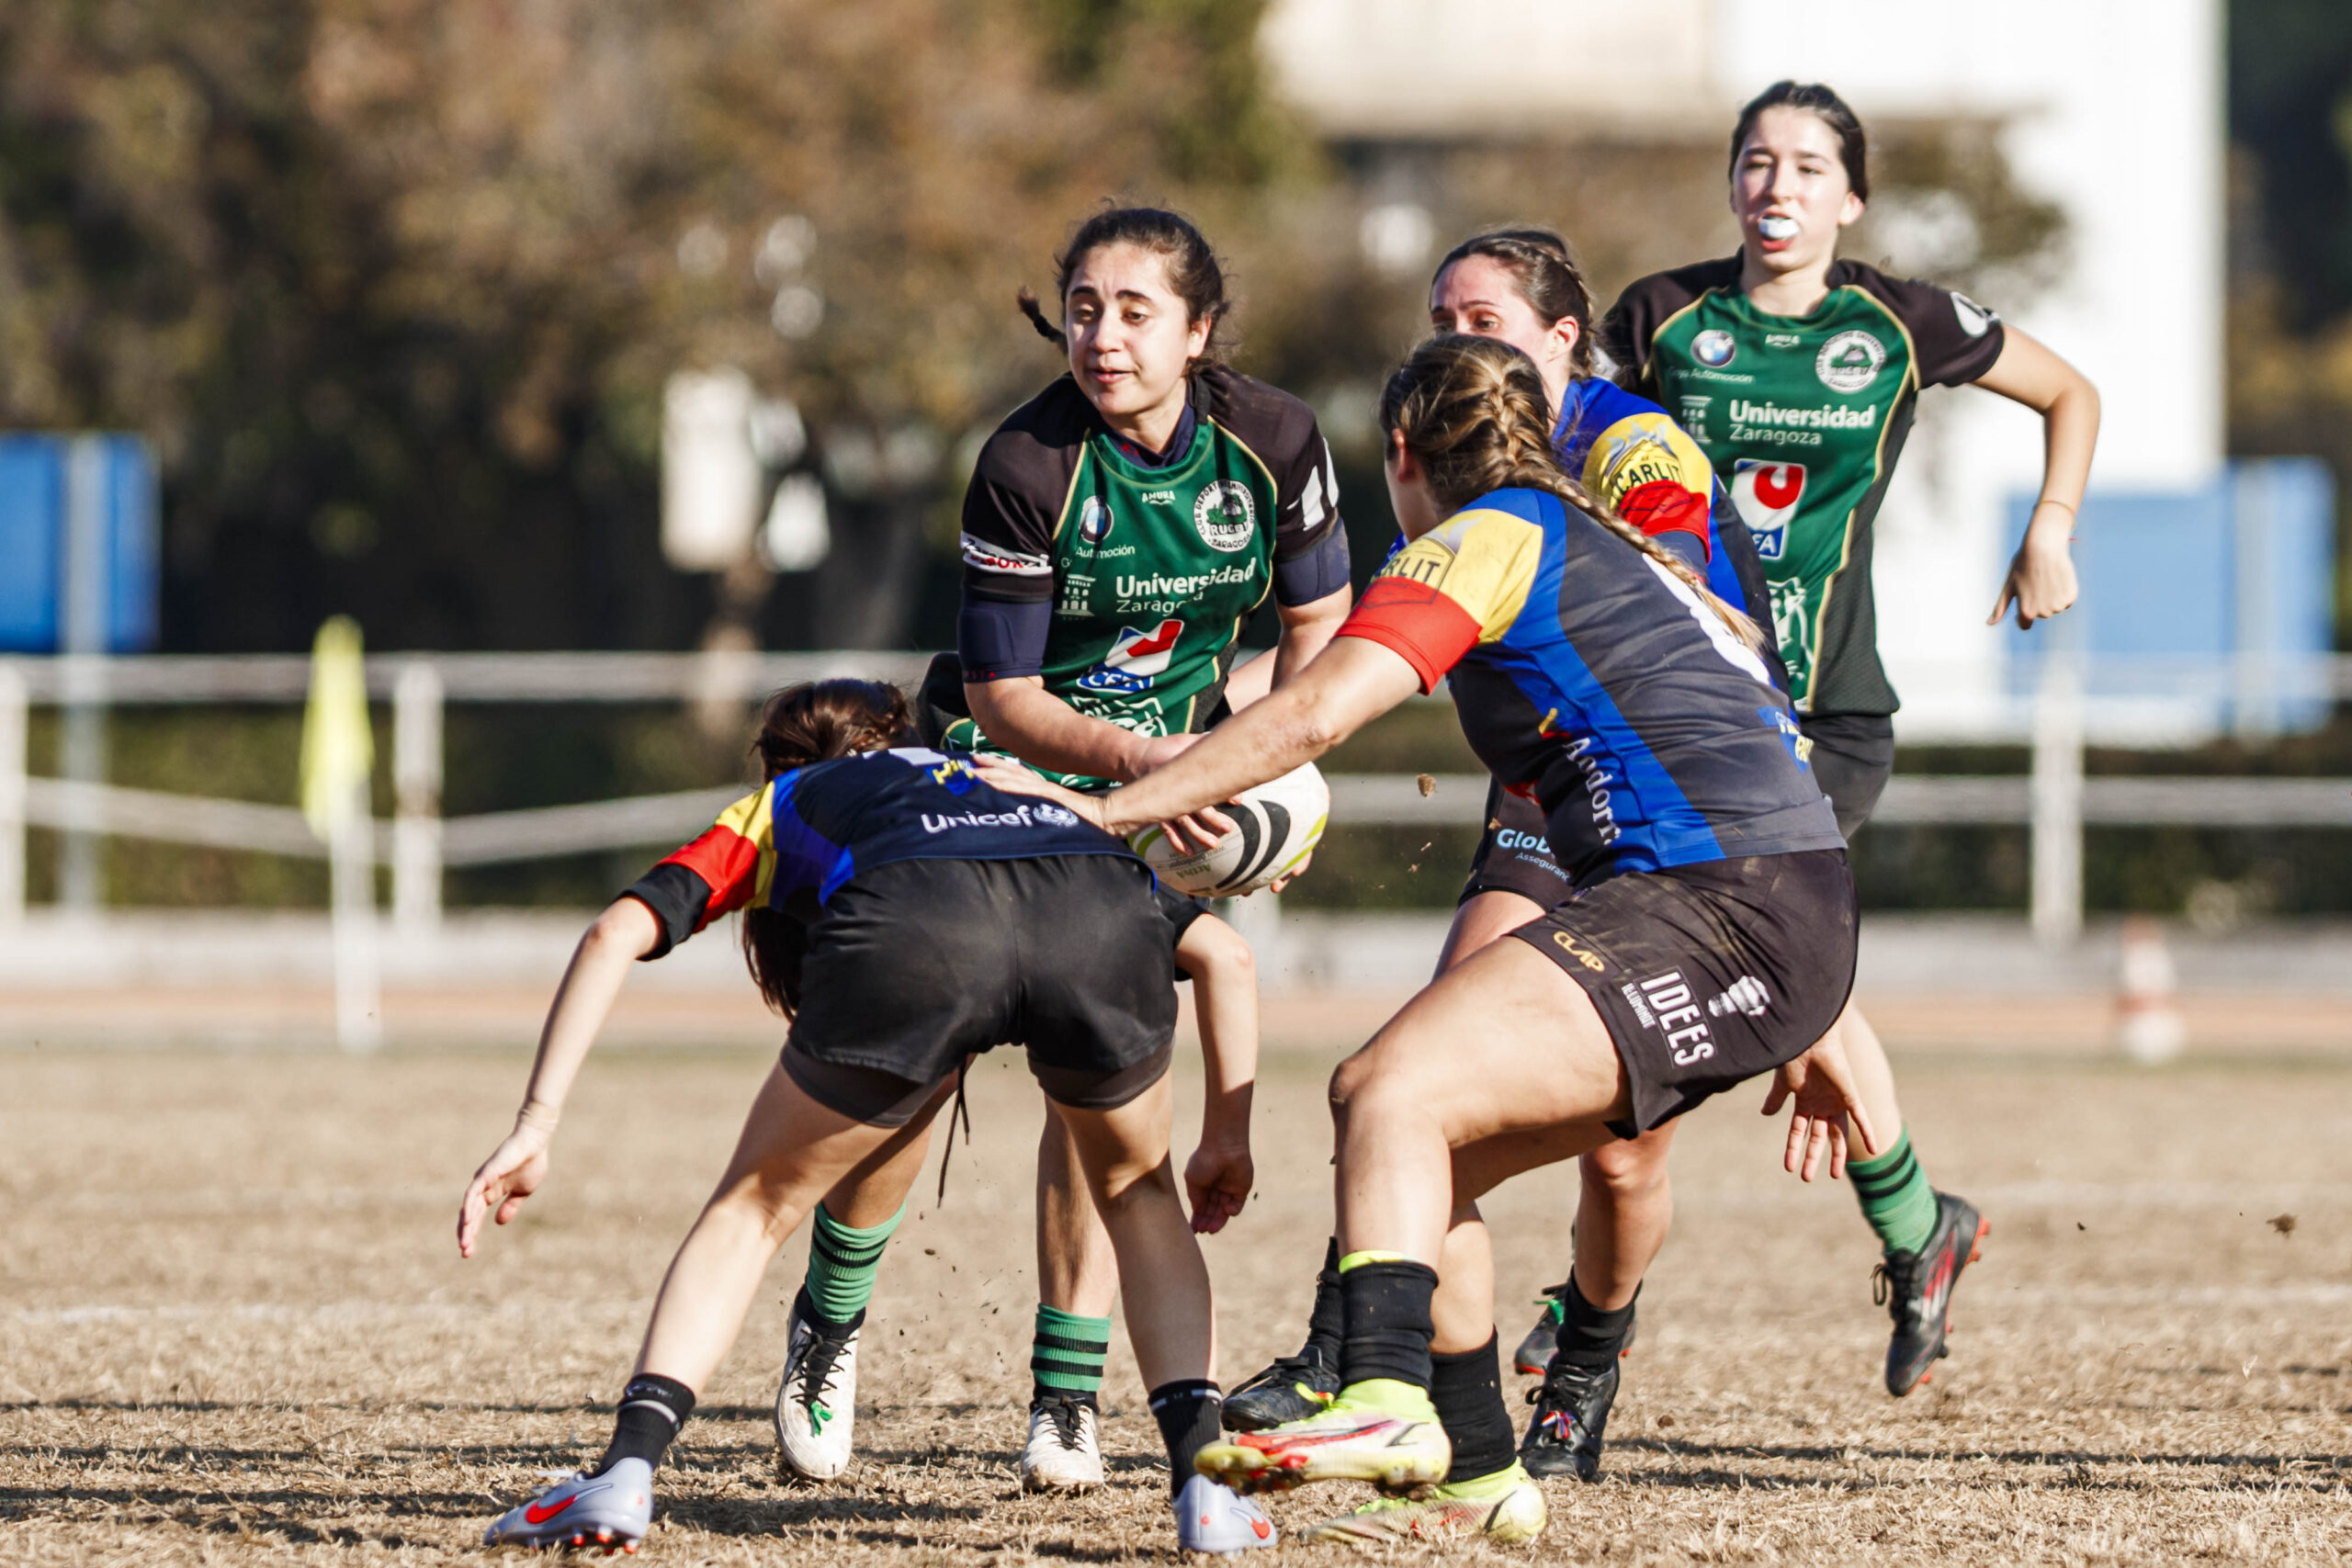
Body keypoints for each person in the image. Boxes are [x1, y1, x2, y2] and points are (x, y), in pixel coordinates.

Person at [984, 333, 1870, 1544]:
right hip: (1772, 900)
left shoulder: (1486, 533)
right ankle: (1481, 1462)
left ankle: (1387, 1395)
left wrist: (1111, 806)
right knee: (1429, 1151)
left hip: (1716, 899)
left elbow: (1316, 709)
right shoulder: (1604, 540)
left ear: (1402, 451)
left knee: (1384, 1087)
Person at [774, 206, 1351, 1492]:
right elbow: (1008, 698)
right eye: (1084, 307)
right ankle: (831, 1319)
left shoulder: (1277, 442)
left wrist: (1255, 764)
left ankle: (1066, 1398)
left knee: (1106, 1088)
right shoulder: (1030, 462)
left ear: (1199, 331)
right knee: (910, 1076)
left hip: (1160, 797)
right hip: (1004, 778)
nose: (1103, 336)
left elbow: (1324, 632)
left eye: (1136, 310)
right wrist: (1158, 767)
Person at [1560, 76, 2099, 1418]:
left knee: (1735, 940)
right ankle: (1920, 1225)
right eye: (1757, 161)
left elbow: (2071, 391)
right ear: (1732, 184)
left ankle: (1603, 1308)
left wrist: (2052, 529)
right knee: (1748, 958)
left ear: (1851, 198)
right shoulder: (1660, 318)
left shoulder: (1898, 321)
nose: (1778, 186)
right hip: (1690, 710)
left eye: (1808, 167)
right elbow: (1566, 456)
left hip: (1830, 716)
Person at [1216, 227, 1784, 1498]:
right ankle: (1433, 1424)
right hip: (1593, 809)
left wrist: (1120, 805)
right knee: (1420, 1096)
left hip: (1694, 824)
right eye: (1444, 315)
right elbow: (1357, 645)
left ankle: (1531, 1363)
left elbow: (1324, 708)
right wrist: (1193, 726)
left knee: (1495, 1120)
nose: (1461, 332)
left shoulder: (1619, 450)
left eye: (1482, 314)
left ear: (1561, 340)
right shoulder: (1492, 505)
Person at [461, 680, 1276, 1555]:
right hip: (1094, 917)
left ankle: (624, 1476)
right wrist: (1227, 1135)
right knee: (1138, 1198)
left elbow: (611, 933)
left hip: (915, 927)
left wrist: (536, 1124)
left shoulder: (786, 801)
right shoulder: (1009, 780)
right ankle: (1205, 1488)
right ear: (902, 734)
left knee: (753, 1207)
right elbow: (1226, 953)